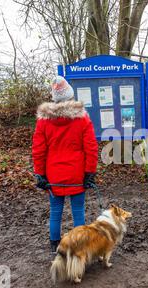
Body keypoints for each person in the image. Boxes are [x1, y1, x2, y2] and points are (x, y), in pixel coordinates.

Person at [32, 76, 98, 254]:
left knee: (55, 211)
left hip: (54, 175)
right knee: (78, 211)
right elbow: (91, 147)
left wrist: (40, 174)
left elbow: (38, 149)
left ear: (54, 97)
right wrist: (90, 172)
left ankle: (55, 246)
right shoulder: (82, 118)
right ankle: (79, 247)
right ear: (70, 95)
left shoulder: (44, 121)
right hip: (77, 173)